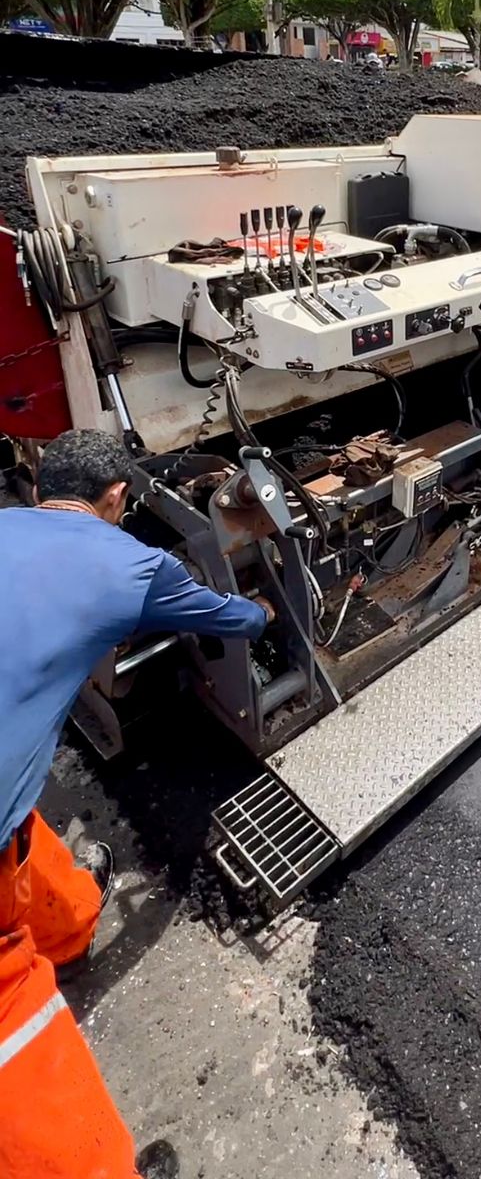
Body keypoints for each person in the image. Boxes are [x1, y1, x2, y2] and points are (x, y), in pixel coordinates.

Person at [0, 430, 274, 1179]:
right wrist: (264, 614)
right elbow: (229, 620)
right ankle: (99, 1168)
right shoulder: (131, 561)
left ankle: (70, 925)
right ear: (118, 498)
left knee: (26, 830)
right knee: (12, 1029)